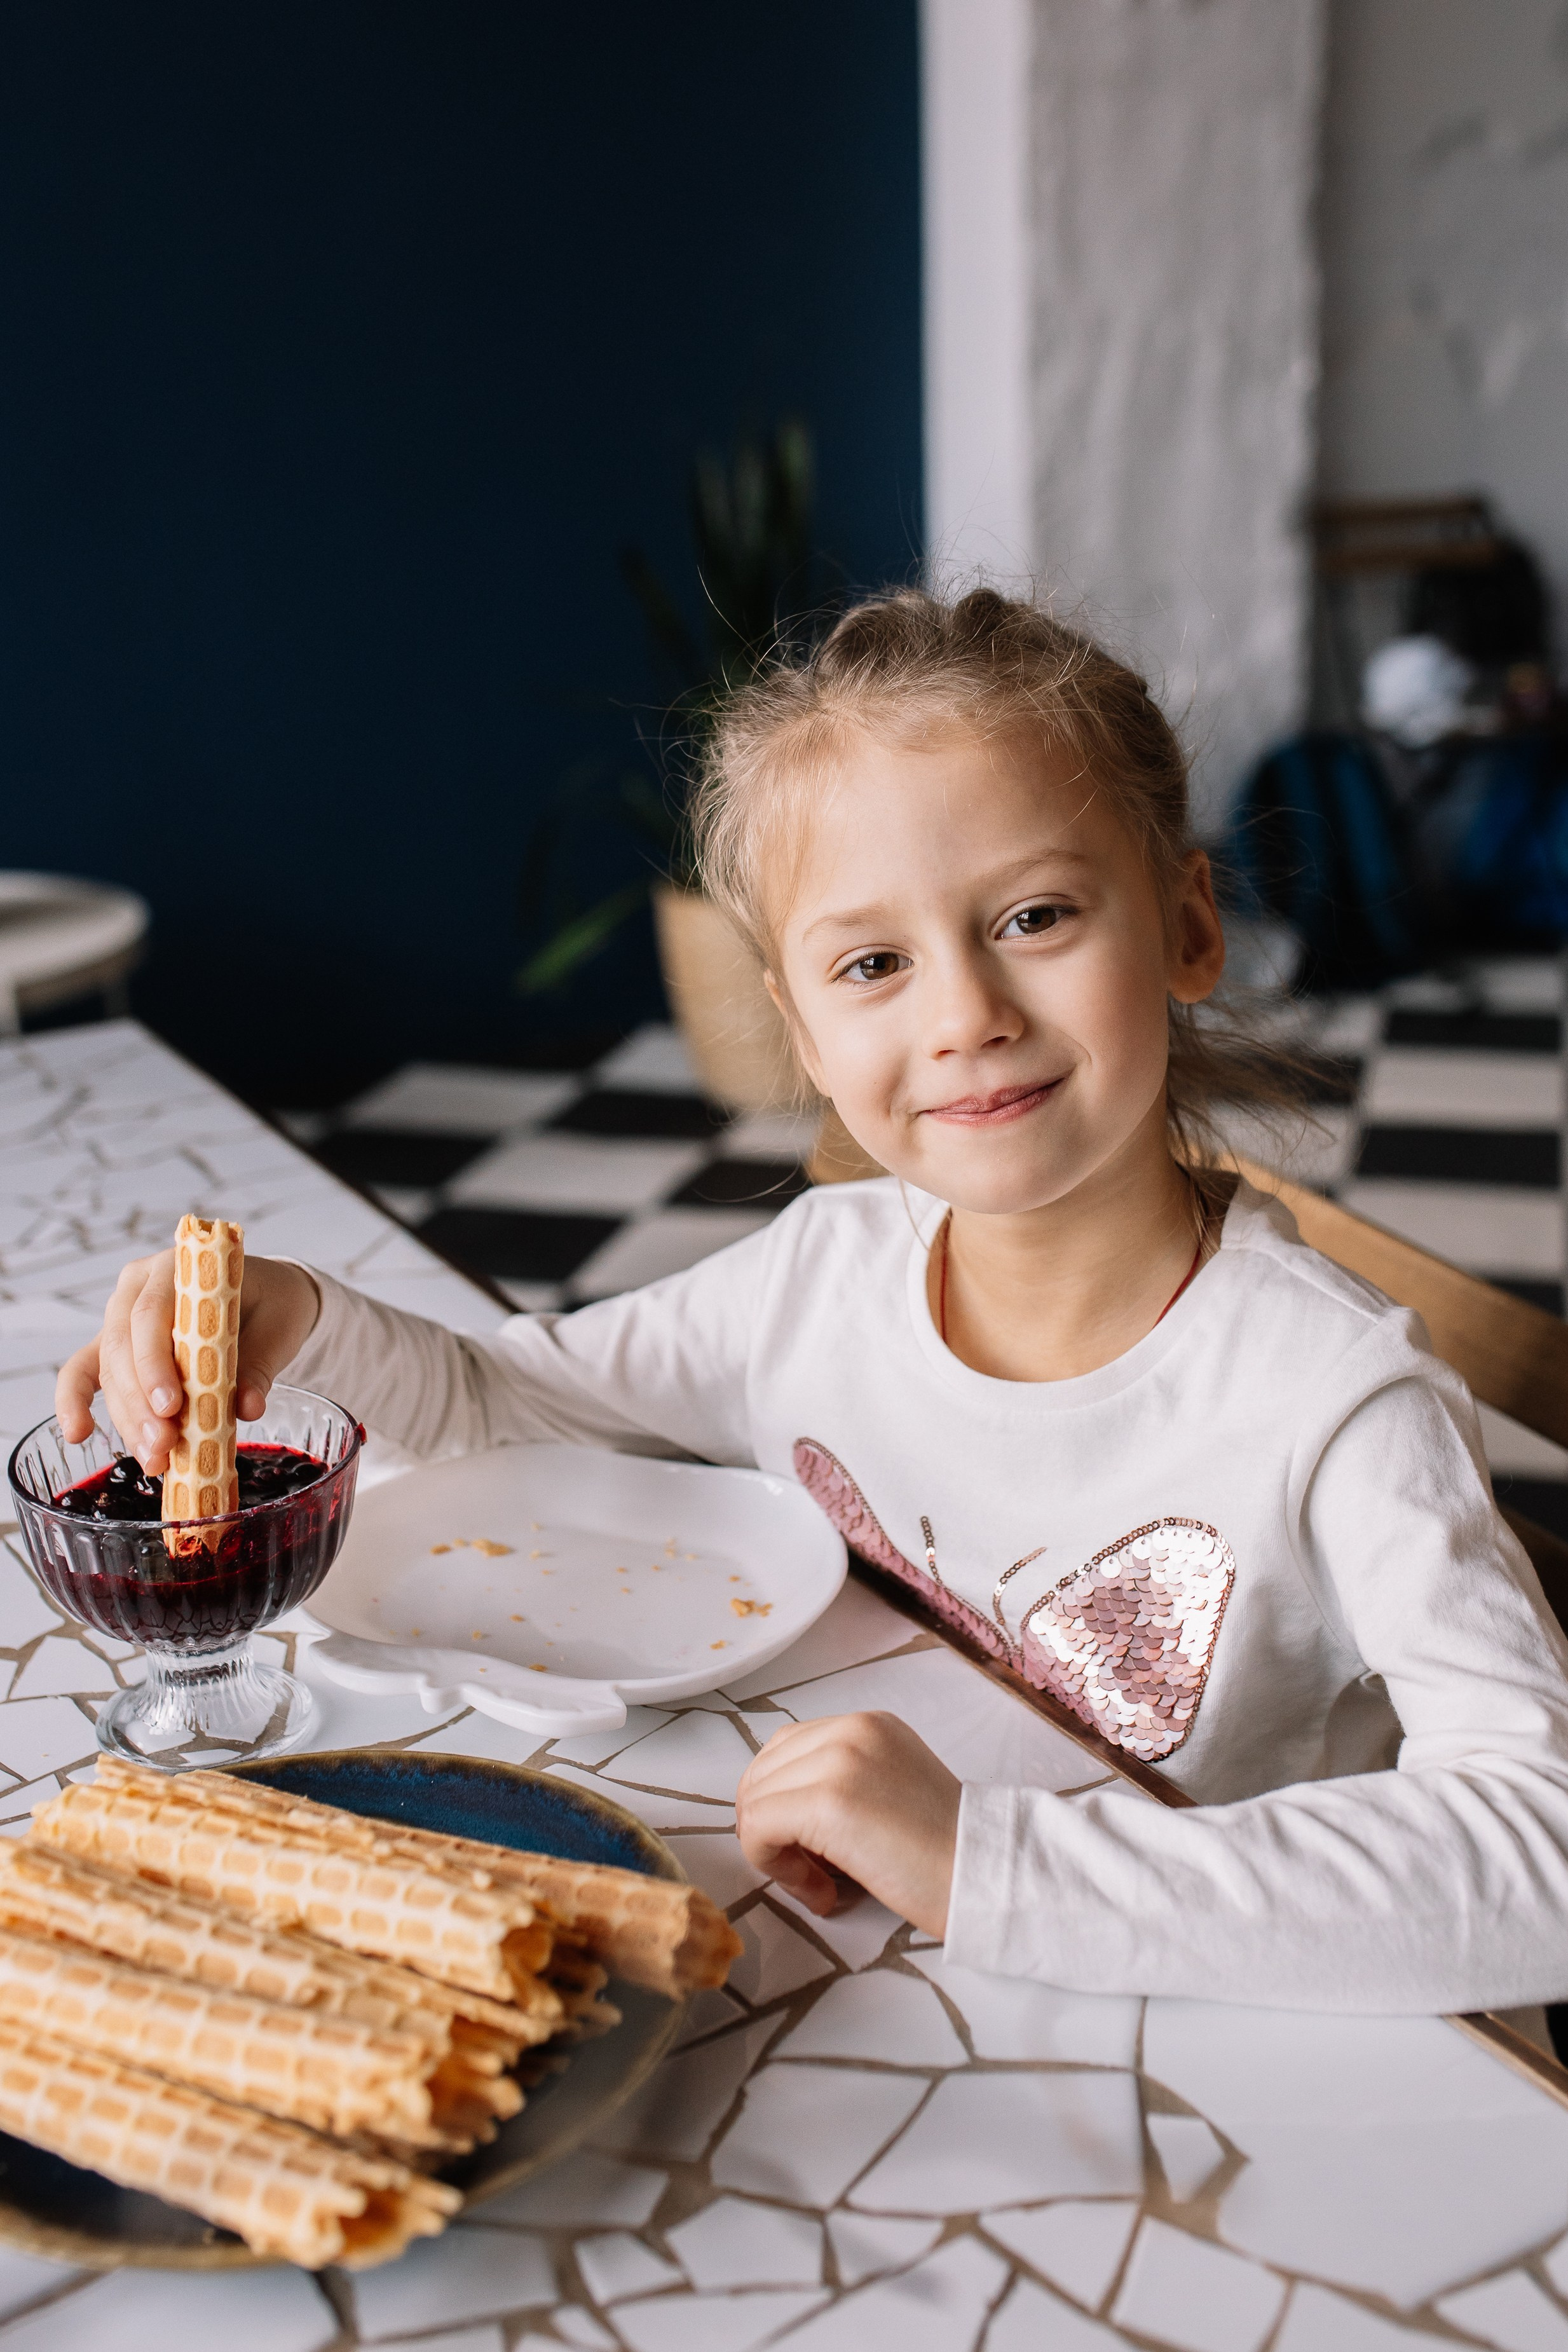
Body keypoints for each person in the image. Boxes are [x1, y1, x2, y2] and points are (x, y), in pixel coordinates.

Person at [57, 587, 1568, 2016]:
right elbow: (525, 1418)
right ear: (798, 1022)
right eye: (871, 961)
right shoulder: (827, 1273)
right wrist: (304, 1317)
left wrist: (988, 1861)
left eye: (1036, 916)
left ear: (1184, 926)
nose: (965, 1013)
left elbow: (1536, 1859)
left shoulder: (1328, 1401)